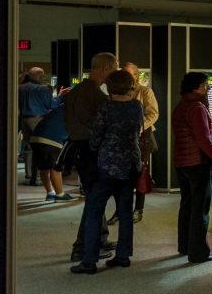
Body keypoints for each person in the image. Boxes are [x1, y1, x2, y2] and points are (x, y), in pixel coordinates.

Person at [71, 69, 143, 274]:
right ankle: (123, 255)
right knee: (125, 211)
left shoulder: (106, 107)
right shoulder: (136, 107)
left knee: (95, 210)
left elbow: (95, 139)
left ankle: (89, 260)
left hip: (107, 166)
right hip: (130, 165)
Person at [65, 52, 118, 263]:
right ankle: (82, 246)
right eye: (114, 68)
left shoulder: (78, 91)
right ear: (105, 68)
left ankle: (100, 238)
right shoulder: (94, 94)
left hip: (80, 149)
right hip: (91, 151)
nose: (115, 73)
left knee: (96, 197)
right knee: (95, 200)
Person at [172, 71, 212, 264]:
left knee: (186, 204)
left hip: (181, 162)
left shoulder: (181, 106)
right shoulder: (197, 108)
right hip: (197, 163)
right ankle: (198, 252)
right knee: (200, 208)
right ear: (196, 87)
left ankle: (184, 245)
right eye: (205, 85)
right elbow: (203, 139)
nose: (207, 88)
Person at [117, 62, 159, 224]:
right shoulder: (119, 91)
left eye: (129, 74)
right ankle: (121, 210)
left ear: (136, 75)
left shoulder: (145, 91)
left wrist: (138, 127)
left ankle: (138, 209)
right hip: (122, 137)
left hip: (141, 136)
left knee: (140, 172)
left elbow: (153, 114)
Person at [29, 100, 76, 202]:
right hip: (51, 139)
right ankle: (60, 195)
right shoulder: (74, 109)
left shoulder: (61, 107)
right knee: (56, 167)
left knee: (44, 167)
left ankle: (50, 193)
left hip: (35, 137)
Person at [19, 66, 54, 185]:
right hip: (37, 119)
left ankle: (29, 175)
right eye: (42, 75)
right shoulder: (43, 89)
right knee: (40, 149)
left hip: (24, 120)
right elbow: (50, 105)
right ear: (40, 76)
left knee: (29, 149)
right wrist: (60, 96)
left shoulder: (21, 88)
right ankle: (38, 177)